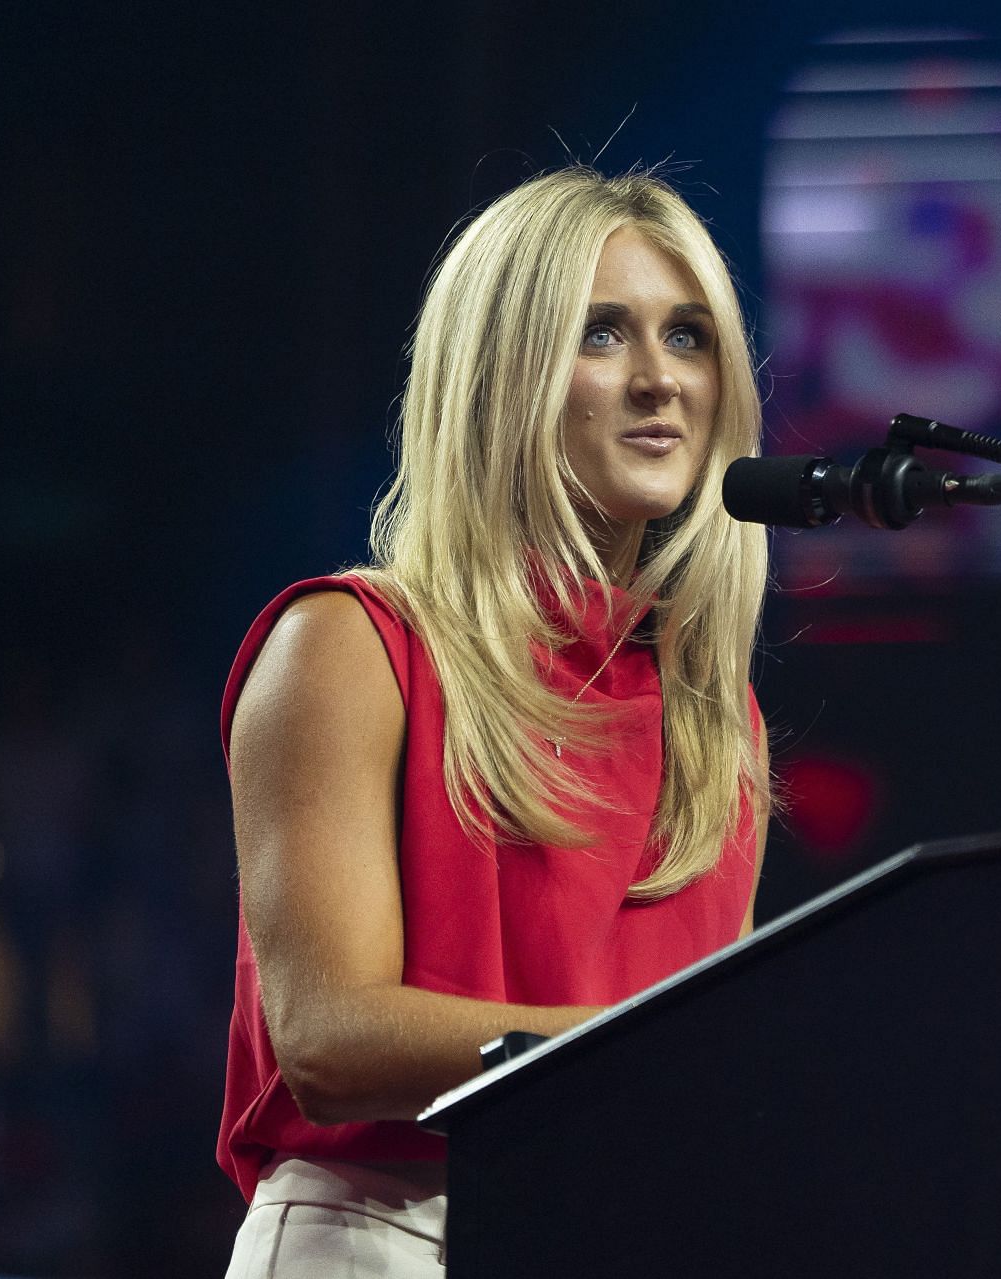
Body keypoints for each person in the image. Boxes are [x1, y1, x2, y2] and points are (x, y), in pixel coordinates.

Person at [218, 167, 771, 1275]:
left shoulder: (718, 721)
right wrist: (675, 1056)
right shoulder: (349, 645)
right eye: (603, 332)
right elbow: (327, 1041)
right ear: (501, 373)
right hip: (390, 1234)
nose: (662, 380)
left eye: (692, 336)